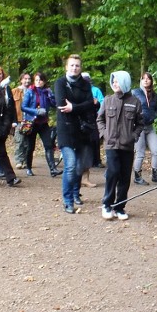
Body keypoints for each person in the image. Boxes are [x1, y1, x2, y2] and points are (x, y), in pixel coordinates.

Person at [97, 71, 144, 221]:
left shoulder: (135, 101)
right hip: (111, 145)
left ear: (125, 82)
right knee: (113, 172)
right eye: (114, 81)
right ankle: (107, 204)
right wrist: (104, 134)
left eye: (118, 81)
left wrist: (134, 136)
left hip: (127, 146)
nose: (115, 84)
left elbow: (140, 123)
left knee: (125, 176)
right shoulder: (108, 100)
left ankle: (120, 207)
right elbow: (100, 119)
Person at [54, 54, 97, 214]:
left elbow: (92, 105)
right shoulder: (60, 83)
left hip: (82, 131)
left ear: (81, 68)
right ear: (67, 67)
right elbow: (61, 105)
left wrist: (74, 107)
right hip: (65, 130)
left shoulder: (85, 84)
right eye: (72, 65)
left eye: (77, 65)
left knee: (79, 167)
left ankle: (74, 192)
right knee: (70, 165)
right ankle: (68, 200)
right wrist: (81, 106)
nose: (74, 68)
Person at [21, 72, 61, 177]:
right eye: (37, 80)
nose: (39, 82)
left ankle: (53, 169)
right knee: (30, 147)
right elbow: (23, 107)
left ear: (44, 81)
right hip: (32, 123)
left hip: (43, 123)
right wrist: (36, 111)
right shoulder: (30, 92)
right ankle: (28, 167)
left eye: (41, 80)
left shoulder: (46, 92)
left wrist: (51, 97)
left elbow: (54, 105)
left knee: (48, 145)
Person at [132, 72, 157, 186]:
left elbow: (156, 109)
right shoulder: (135, 93)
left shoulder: (155, 95)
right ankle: (137, 177)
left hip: (150, 127)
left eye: (148, 78)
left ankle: (155, 176)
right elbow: (131, 108)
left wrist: (154, 116)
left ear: (151, 81)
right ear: (141, 81)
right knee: (140, 153)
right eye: (143, 78)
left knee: (156, 151)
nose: (146, 80)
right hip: (139, 127)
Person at [82, 72, 105, 169]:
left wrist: (99, 114)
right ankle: (87, 160)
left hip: (95, 117)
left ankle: (97, 160)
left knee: (95, 139)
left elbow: (102, 102)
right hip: (83, 118)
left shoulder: (96, 90)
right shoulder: (79, 91)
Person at [12, 73, 32, 169]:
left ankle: (25, 161)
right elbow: (10, 107)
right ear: (21, 80)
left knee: (27, 142)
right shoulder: (14, 91)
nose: (27, 81)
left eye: (29, 79)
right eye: (25, 79)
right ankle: (19, 161)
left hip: (29, 120)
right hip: (19, 120)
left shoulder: (33, 91)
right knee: (19, 140)